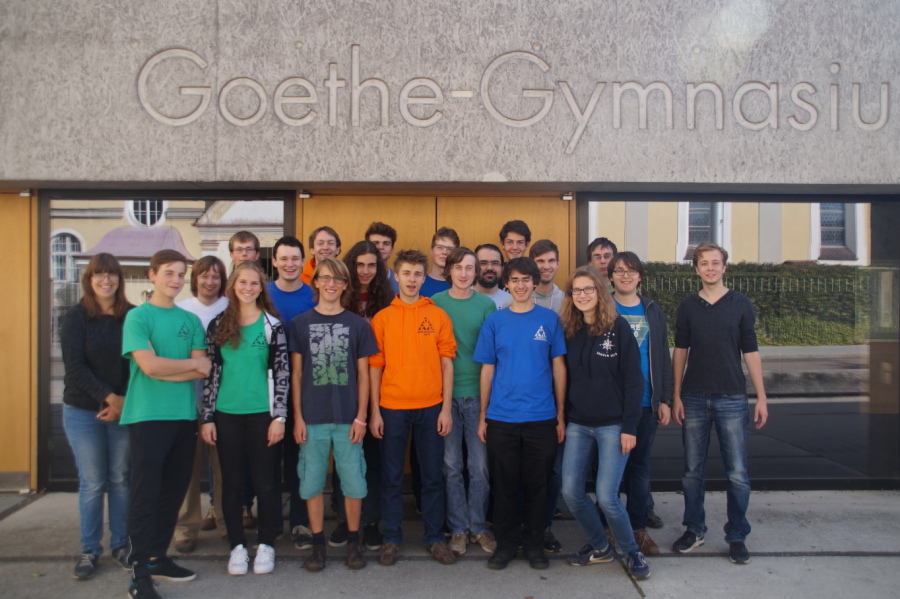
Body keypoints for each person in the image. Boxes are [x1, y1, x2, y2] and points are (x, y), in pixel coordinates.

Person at [671, 242, 769, 565]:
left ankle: (737, 535)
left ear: (725, 267)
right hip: (694, 398)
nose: (710, 268)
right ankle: (694, 529)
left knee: (737, 472)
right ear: (696, 268)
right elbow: (680, 351)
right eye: (704, 263)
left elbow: (750, 350)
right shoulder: (688, 306)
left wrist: (761, 396)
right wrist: (676, 394)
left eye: (716, 263)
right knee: (691, 471)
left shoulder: (740, 304)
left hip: (732, 397)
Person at [121, 250, 211, 599]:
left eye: (180, 274)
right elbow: (149, 367)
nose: (175, 280)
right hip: (148, 417)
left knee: (172, 493)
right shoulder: (138, 317)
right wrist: (182, 367)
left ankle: (157, 557)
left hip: (184, 417)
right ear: (152, 275)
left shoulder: (190, 320)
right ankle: (139, 572)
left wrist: (167, 367)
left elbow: (203, 368)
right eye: (169, 273)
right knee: (146, 495)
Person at [474, 257, 566, 571]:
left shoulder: (550, 320)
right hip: (502, 418)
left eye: (526, 279)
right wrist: (483, 415)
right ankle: (507, 544)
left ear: (534, 282)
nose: (521, 285)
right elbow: (487, 369)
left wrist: (561, 415)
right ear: (507, 284)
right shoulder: (495, 322)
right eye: (514, 280)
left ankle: (535, 545)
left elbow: (559, 368)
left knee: (538, 485)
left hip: (541, 418)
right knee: (505, 486)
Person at [558, 265, 650, 580]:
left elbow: (634, 381)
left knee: (608, 496)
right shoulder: (569, 330)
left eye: (589, 289)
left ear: (600, 291)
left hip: (613, 425)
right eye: (577, 290)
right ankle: (600, 546)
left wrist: (630, 427)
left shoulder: (618, 327)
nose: (583, 295)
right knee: (571, 491)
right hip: (579, 425)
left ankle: (632, 552)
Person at [290, 258, 379, 572]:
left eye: (338, 279)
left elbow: (364, 375)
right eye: (325, 278)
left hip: (347, 419)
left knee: (353, 482)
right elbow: (297, 374)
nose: (331, 284)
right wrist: (298, 417)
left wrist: (361, 417)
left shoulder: (358, 325)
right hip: (312, 418)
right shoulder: (300, 323)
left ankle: (354, 541)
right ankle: (317, 544)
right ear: (315, 281)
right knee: (311, 482)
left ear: (345, 285)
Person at [369, 249, 457, 566]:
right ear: (396, 276)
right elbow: (375, 367)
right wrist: (375, 411)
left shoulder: (437, 315)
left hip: (431, 406)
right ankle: (392, 538)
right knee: (392, 477)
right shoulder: (382, 318)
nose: (412, 279)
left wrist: (446, 409)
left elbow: (447, 364)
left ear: (424, 278)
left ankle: (435, 538)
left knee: (432, 476)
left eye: (418, 274)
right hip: (391, 407)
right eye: (406, 273)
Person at [200, 262, 289, 576]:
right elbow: (211, 375)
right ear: (233, 286)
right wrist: (207, 417)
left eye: (254, 283)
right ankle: (237, 545)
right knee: (232, 484)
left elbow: (282, 373)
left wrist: (280, 417)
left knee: (265, 482)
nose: (248, 288)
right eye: (243, 283)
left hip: (263, 415)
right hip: (226, 415)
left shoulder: (272, 326)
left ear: (261, 288)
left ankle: (266, 544)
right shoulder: (218, 325)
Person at [61, 253, 134, 580]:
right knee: (93, 482)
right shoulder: (76, 316)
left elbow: (137, 363)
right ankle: (89, 549)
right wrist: (110, 398)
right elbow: (75, 367)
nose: (106, 280)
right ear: (89, 280)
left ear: (119, 279)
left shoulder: (131, 315)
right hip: (82, 410)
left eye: (111, 274)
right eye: (99, 275)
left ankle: (121, 545)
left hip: (123, 410)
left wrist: (123, 402)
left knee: (120, 478)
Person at [605, 251, 673, 556]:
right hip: (611, 405)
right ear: (610, 276)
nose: (625, 275)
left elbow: (662, 355)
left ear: (640, 276)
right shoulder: (603, 306)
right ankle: (609, 527)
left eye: (631, 271)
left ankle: (637, 528)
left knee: (639, 468)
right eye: (619, 271)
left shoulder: (652, 310)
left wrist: (665, 398)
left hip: (646, 403)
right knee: (609, 471)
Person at [432, 248, 497, 556]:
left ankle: (479, 526)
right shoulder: (435, 303)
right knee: (451, 465)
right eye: (458, 267)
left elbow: (491, 356)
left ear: (476, 272)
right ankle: (458, 528)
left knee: (479, 466)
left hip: (477, 395)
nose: (464, 273)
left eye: (470, 268)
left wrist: (487, 405)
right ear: (449, 270)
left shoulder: (486, 305)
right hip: (444, 396)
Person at [329, 240, 394, 551]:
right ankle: (345, 518)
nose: (366, 271)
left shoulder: (387, 301)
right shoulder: (340, 297)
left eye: (372, 265)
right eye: (360, 265)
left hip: (380, 388)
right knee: (346, 456)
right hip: (344, 388)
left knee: (374, 457)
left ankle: (371, 522)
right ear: (350, 267)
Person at [174, 256, 229, 553]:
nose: (210, 282)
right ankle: (186, 528)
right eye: (204, 276)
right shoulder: (181, 310)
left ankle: (226, 522)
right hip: (188, 398)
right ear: (195, 279)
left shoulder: (231, 309)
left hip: (225, 399)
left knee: (225, 468)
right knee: (188, 467)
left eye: (216, 276)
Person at [267, 236, 316, 548]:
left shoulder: (313, 295)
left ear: (303, 261)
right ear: (274, 261)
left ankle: (300, 523)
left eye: (295, 258)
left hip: (303, 387)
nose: (289, 264)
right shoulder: (262, 294)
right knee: (269, 461)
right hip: (266, 389)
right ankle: (271, 525)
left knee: (301, 459)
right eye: (283, 258)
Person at [421, 227, 458, 297]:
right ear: (431, 250)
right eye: (440, 247)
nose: (444, 252)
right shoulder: (418, 282)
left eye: (450, 249)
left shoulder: (460, 284)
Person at [474, 243, 511, 310]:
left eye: (495, 263)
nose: (489, 268)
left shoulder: (511, 302)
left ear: (502, 268)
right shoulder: (462, 298)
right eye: (483, 263)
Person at [366, 221, 399, 293]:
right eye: (375, 243)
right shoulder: (357, 278)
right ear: (367, 247)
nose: (381, 247)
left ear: (392, 249)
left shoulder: (400, 280)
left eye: (386, 243)